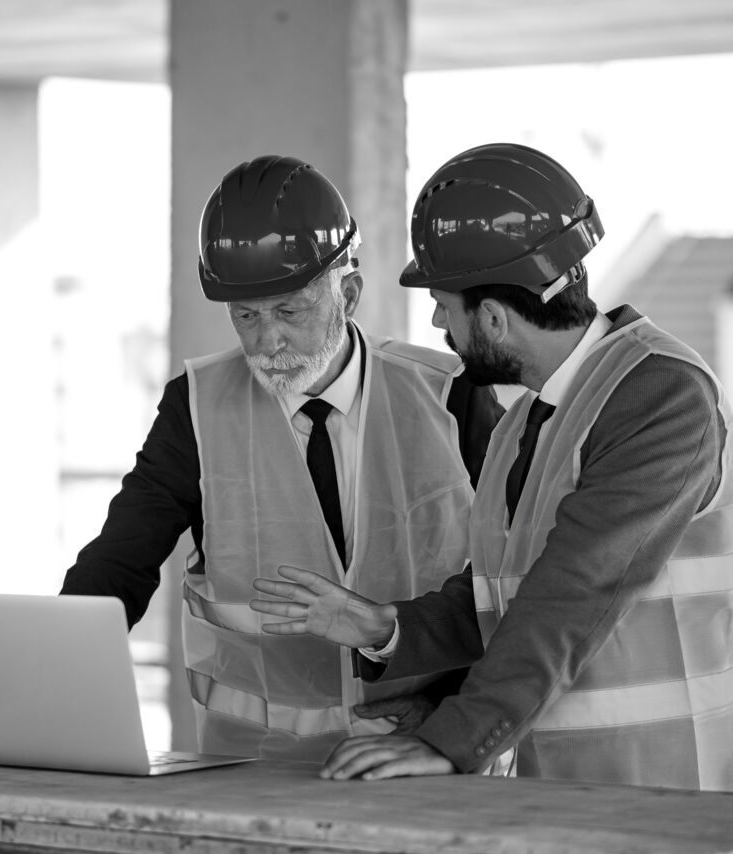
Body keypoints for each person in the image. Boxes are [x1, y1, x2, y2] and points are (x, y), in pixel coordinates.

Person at [251, 143, 733, 790]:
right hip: (562, 790)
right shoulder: (527, 422)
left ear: (496, 318)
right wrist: (387, 625)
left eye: (445, 306)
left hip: (670, 791)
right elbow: (499, 593)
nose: (435, 321)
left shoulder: (661, 397)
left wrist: (452, 741)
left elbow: (577, 587)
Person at [62, 154, 502, 762]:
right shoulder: (195, 406)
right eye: (246, 316)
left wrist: (453, 710)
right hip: (252, 769)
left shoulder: (452, 395)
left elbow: (510, 578)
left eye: (289, 312)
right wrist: (53, 673)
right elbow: (121, 559)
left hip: (419, 758)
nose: (267, 340)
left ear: (346, 293)